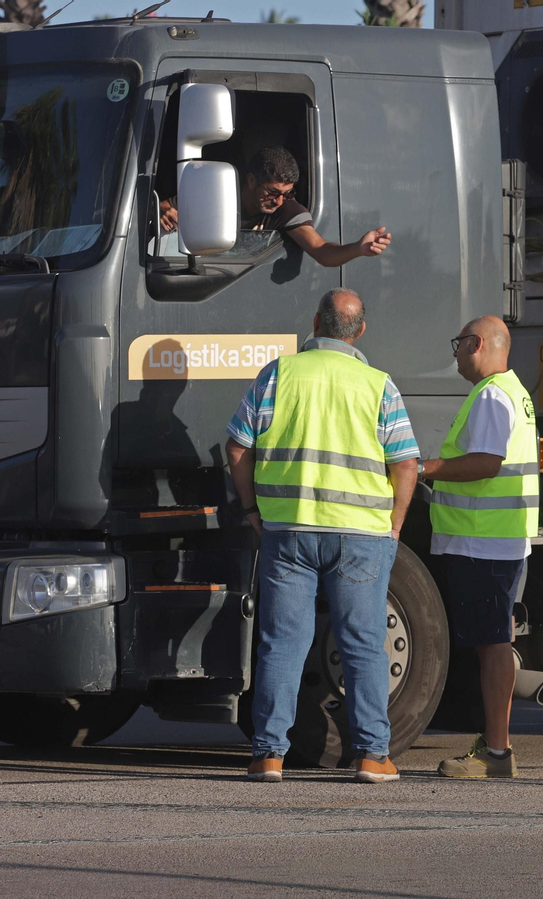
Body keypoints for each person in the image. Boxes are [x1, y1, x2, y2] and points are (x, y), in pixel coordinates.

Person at [224, 288, 419, 784]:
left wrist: (251, 509)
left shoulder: (278, 374)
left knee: (282, 643)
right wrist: (394, 524)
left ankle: (268, 755)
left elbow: (237, 448)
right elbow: (405, 462)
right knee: (362, 643)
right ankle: (373, 755)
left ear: (315, 323)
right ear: (361, 332)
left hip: (288, 531)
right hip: (360, 536)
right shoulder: (379, 385)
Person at [422, 316, 540, 779]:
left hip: (483, 542)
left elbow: (487, 463)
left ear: (476, 345)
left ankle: (496, 751)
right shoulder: (513, 391)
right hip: (497, 540)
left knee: (493, 645)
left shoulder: (492, 394)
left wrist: (426, 467)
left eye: (458, 344)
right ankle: (495, 746)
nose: (454, 353)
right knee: (495, 642)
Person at [160, 146, 393, 266]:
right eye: (273, 192)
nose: (279, 201)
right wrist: (163, 211)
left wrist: (356, 249)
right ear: (250, 181)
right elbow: (163, 207)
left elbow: (321, 250)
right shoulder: (213, 195)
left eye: (287, 193)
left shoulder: (286, 209)